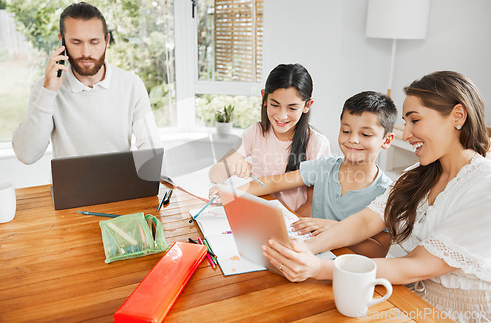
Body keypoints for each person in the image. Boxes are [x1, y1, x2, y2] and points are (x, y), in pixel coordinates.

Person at [263, 71, 491, 323]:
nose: (406, 134)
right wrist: (303, 249)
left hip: (454, 313)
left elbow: (414, 265)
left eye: (415, 120)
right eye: (406, 122)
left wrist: (319, 268)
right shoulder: (416, 176)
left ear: (457, 116)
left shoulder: (484, 185)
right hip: (398, 292)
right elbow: (364, 221)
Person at [215, 91, 397, 258]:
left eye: (365, 134)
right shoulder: (325, 166)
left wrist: (336, 229)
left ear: (386, 140)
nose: (353, 139)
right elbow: (272, 183)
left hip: (347, 268)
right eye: (346, 131)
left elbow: (378, 251)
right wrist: (233, 193)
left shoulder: (387, 192)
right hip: (308, 255)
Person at [12, 2, 160, 165]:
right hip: (70, 189)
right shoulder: (46, 87)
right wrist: (48, 91)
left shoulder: (131, 85)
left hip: (119, 187)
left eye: (94, 42)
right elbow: (26, 155)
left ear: (106, 41)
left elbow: (150, 145)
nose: (86, 53)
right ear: (62, 42)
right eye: (76, 42)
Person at [208, 63, 331, 215]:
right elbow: (214, 174)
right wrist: (232, 166)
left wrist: (287, 225)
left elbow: (313, 205)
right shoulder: (256, 132)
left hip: (295, 225)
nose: (281, 116)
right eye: (275, 105)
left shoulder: (317, 143)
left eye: (292, 108)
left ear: (307, 105)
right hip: (260, 217)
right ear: (264, 98)